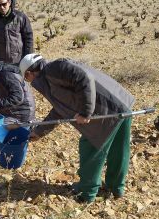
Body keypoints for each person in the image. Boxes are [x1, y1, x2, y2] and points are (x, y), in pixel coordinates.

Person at [19, 53, 135, 203]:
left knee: (90, 148)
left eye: (26, 79)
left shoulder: (53, 69)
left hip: (106, 111)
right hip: (119, 104)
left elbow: (83, 78)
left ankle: (87, 193)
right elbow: (59, 110)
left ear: (29, 73)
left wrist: (86, 111)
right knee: (118, 149)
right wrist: (39, 132)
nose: (29, 83)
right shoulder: (50, 78)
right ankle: (116, 187)